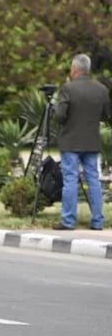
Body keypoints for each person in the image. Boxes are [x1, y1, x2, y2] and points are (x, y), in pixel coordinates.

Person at [52, 53, 109, 230]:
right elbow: (106, 115)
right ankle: (98, 221)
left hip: (71, 142)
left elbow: (60, 116)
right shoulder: (101, 89)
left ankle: (68, 221)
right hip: (92, 142)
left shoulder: (68, 89)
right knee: (94, 180)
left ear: (75, 69)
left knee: (70, 180)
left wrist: (54, 109)